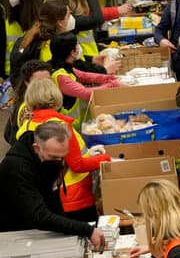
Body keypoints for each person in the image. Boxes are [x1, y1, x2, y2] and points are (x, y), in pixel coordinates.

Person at [14, 77, 111, 222]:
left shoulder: (25, 128)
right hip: (74, 198)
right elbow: (77, 165)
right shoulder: (61, 127)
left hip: (45, 197)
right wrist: (106, 158)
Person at [0, 121, 105, 248]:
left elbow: (54, 201)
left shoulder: (48, 159)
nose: (60, 162)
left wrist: (69, 235)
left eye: (63, 157)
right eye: (54, 157)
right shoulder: (16, 168)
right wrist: (86, 230)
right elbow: (38, 216)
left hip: (36, 234)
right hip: (14, 238)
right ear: (36, 148)